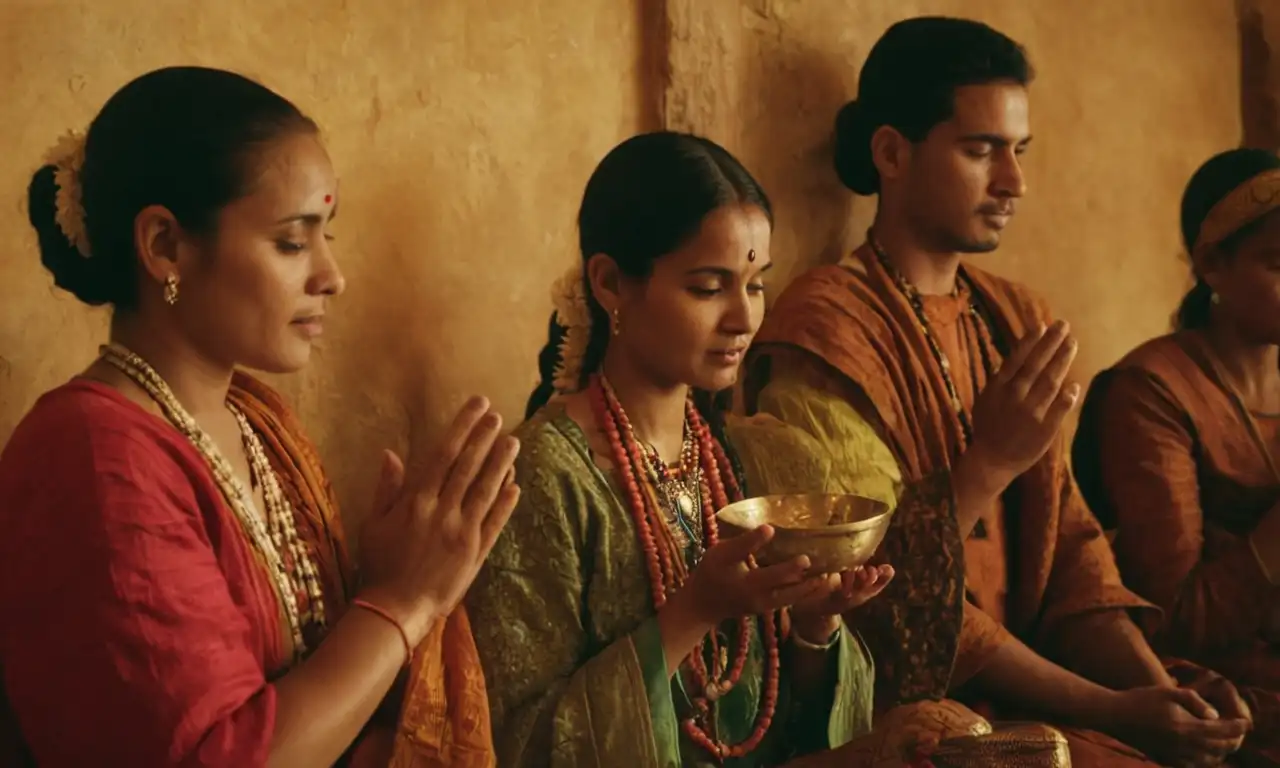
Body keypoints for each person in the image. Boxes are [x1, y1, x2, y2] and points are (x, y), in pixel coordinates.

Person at [746, 16, 1254, 767]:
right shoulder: (826, 329)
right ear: (892, 152)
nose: (1014, 180)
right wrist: (988, 461)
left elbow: (1073, 558)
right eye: (981, 150)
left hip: (1052, 698)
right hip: (917, 713)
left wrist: (1158, 702)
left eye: (1018, 151)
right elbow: (879, 588)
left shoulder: (1016, 318)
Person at [0, 66, 518, 767]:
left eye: (327, 235)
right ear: (165, 247)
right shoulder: (91, 456)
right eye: (291, 242)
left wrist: (380, 582)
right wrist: (406, 600)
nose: (331, 275)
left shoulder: (254, 421)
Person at [465, 131, 906, 767]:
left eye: (755, 285)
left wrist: (814, 627)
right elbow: (522, 744)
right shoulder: (541, 477)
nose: (743, 318)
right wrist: (693, 612)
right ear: (611, 283)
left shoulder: (760, 460)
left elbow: (779, 730)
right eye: (708, 287)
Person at [1074, 147, 1280, 766]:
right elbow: (1171, 617)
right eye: (1279, 262)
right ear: (1212, 265)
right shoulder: (1151, 391)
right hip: (1222, 702)